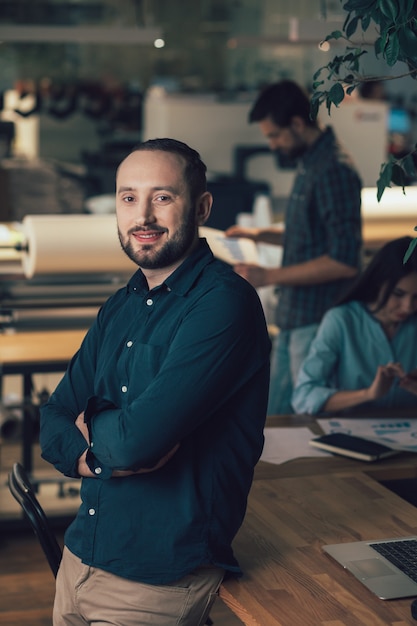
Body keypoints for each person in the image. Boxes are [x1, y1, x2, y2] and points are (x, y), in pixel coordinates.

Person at [39, 138, 271, 626]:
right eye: (128, 198)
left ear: (202, 207)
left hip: (156, 581)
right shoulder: (121, 304)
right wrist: (90, 452)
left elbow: (136, 445)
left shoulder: (223, 305)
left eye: (162, 197)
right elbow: (54, 417)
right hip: (79, 558)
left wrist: (95, 425)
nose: (142, 215)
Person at [225, 79, 362, 415]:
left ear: (298, 124)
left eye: (275, 135)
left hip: (316, 321)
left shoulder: (333, 169)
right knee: (274, 416)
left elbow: (344, 260)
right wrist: (256, 235)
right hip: (295, 317)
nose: (272, 145)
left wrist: (268, 275)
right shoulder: (311, 163)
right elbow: (306, 236)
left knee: (307, 420)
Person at [292, 236, 417, 415]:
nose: (408, 307)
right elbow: (304, 397)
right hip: (352, 436)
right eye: (398, 294)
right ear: (378, 281)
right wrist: (368, 394)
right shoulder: (341, 320)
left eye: (416, 297)